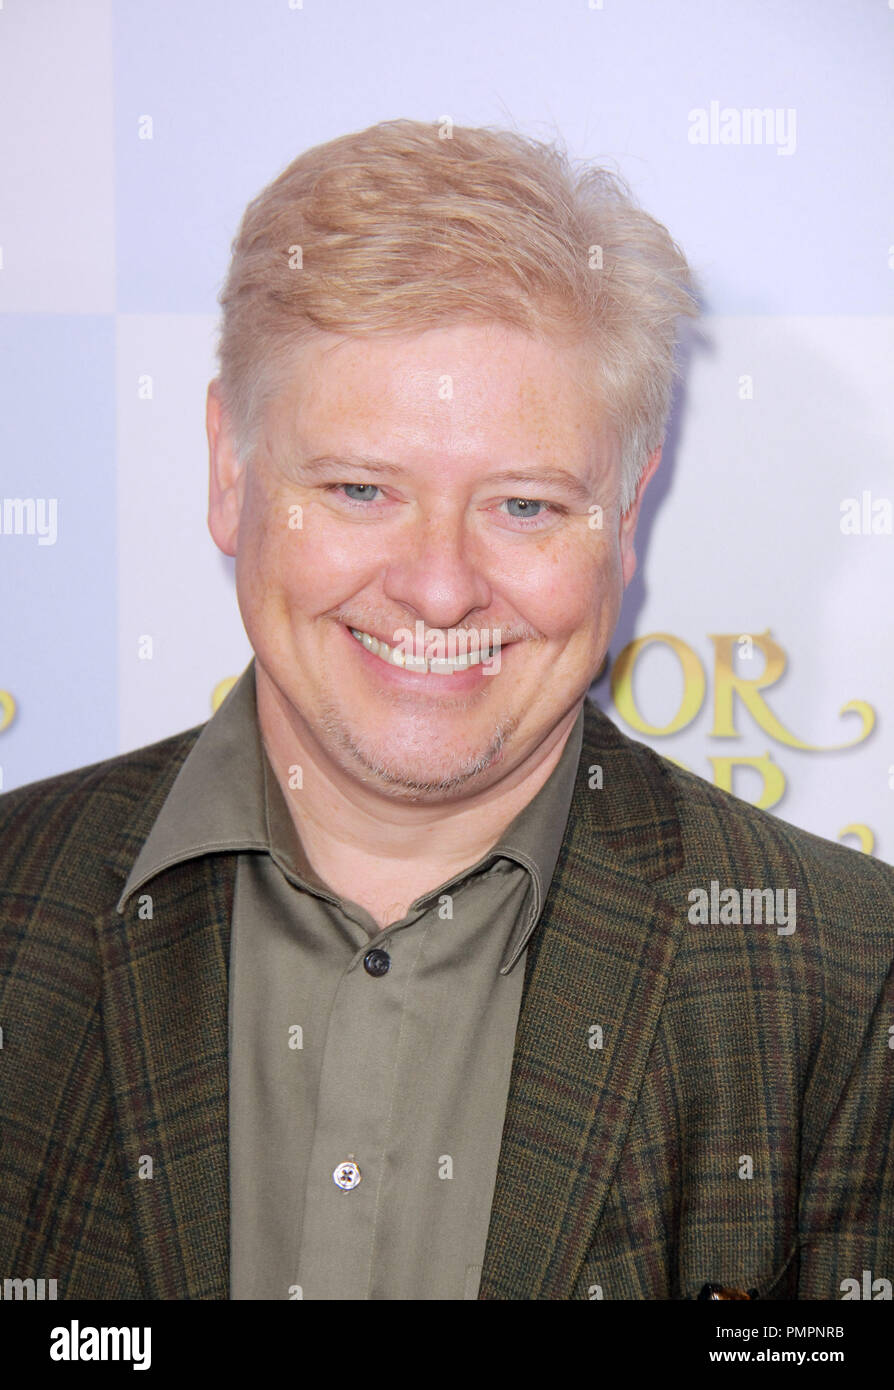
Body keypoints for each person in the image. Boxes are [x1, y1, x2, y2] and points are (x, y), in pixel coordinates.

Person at [0, 119, 891, 1302]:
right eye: (362, 488)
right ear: (230, 472)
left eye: (523, 505)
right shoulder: (16, 909)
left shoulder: (844, 976)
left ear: (626, 519)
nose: (437, 584)